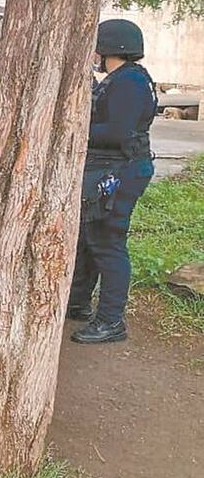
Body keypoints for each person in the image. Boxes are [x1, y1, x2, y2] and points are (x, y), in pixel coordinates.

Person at [67, 19, 157, 344]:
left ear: (110, 48)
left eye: (97, 47)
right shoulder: (124, 79)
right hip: (114, 169)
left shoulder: (128, 82)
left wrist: (73, 129)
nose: (93, 54)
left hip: (120, 170)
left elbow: (117, 132)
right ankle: (78, 303)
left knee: (107, 244)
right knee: (92, 239)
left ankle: (110, 321)